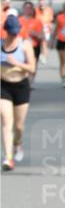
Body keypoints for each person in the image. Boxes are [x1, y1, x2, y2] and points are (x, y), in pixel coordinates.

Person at [1, 13, 36, 169]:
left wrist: (16, 64)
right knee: (6, 121)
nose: (14, 35)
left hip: (21, 86)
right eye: (11, 32)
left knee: (19, 126)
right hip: (3, 86)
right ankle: (8, 158)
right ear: (5, 30)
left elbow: (32, 68)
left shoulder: (25, 45)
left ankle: (18, 142)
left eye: (16, 32)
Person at [19, 1, 47, 80]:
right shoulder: (18, 20)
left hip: (34, 46)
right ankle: (24, 80)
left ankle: (30, 82)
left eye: (30, 8)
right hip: (21, 46)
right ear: (23, 9)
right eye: (26, 8)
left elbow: (42, 36)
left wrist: (35, 34)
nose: (28, 10)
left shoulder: (37, 21)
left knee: (33, 65)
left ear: (32, 10)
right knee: (23, 64)